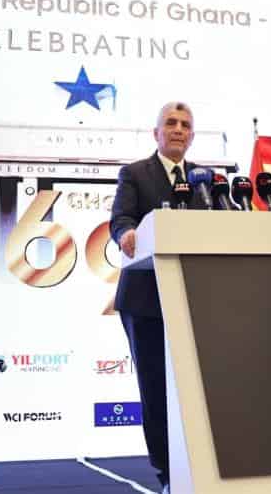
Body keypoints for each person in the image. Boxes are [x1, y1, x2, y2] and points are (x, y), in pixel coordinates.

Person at [110, 101, 198, 494]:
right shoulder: (134, 174)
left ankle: (200, 469)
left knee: (195, 392)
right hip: (146, 300)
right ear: (156, 133)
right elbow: (121, 219)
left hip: (197, 298)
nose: (178, 129)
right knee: (157, 390)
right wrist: (127, 234)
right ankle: (168, 476)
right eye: (171, 123)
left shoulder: (203, 178)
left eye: (185, 125)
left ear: (191, 135)